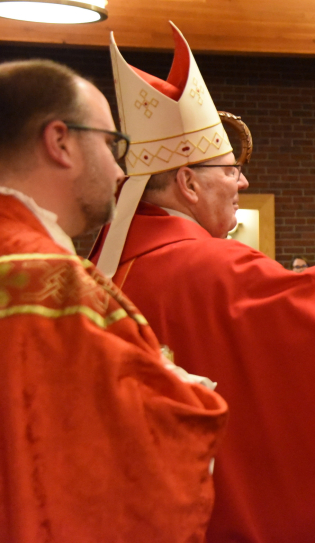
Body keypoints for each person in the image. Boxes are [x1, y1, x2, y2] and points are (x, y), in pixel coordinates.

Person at [89, 24, 315, 543]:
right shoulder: (208, 268)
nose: (242, 181)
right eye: (231, 169)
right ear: (188, 182)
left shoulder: (109, 267)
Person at [0, 59, 228, 542]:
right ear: (59, 142)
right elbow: (123, 460)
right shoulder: (54, 282)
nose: (121, 170)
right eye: (111, 145)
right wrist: (187, 394)